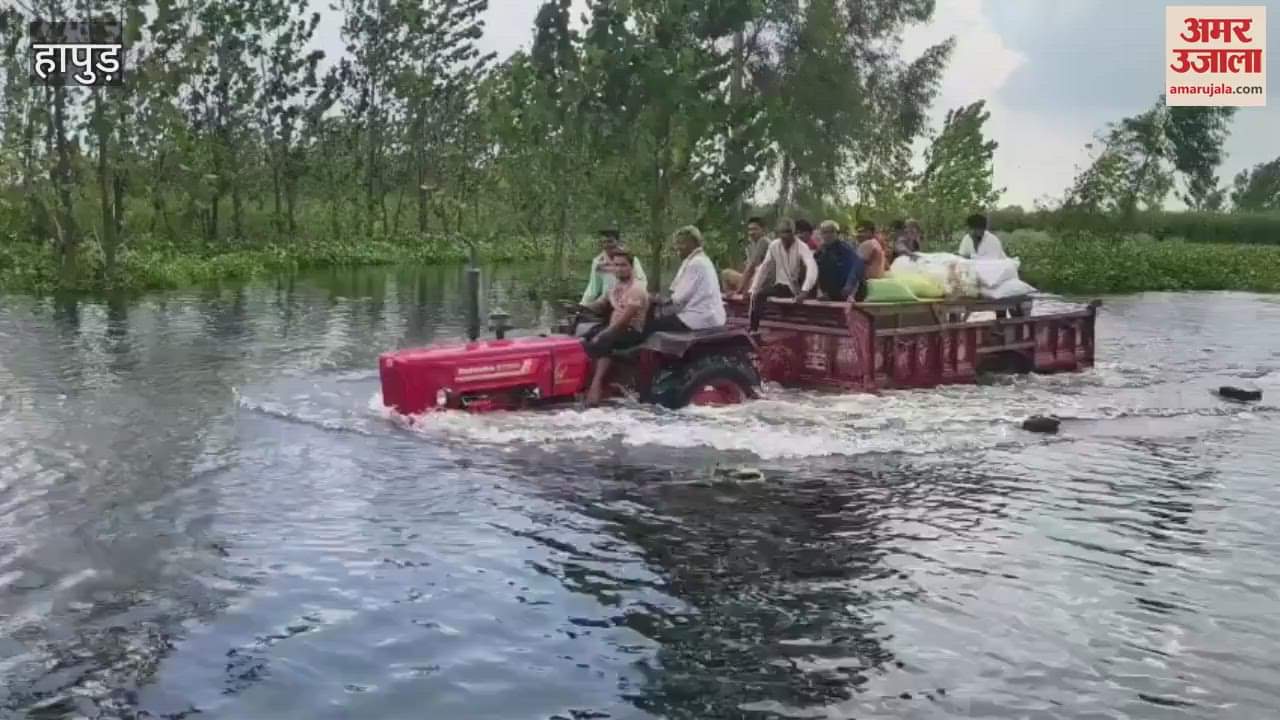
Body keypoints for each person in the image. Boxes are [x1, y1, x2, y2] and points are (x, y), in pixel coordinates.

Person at [578, 252, 650, 407]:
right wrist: (581, 308)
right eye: (616, 265)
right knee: (582, 338)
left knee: (603, 340)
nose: (619, 269)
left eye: (623, 265)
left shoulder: (636, 289)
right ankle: (578, 382)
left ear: (632, 267)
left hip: (631, 331)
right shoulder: (616, 287)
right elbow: (600, 304)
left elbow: (624, 321)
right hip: (615, 329)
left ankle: (595, 387)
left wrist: (604, 334)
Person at [649, 225, 726, 333]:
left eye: (681, 243)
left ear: (692, 243)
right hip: (708, 316)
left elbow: (679, 298)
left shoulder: (696, 263)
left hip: (699, 318)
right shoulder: (700, 260)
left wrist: (656, 299)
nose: (677, 247)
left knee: (651, 326)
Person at [747, 218, 818, 332]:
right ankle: (753, 329)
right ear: (778, 233)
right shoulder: (774, 245)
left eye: (789, 232)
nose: (786, 235)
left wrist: (805, 291)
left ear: (793, 232)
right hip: (781, 287)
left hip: (798, 288)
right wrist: (753, 288)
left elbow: (812, 268)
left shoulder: (802, 246)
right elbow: (764, 267)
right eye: (783, 232)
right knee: (758, 294)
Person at [581, 229, 646, 305]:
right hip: (607, 301)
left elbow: (641, 281)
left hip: (629, 299)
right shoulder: (598, 262)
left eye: (610, 241)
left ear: (617, 242)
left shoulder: (630, 259)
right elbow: (593, 288)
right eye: (603, 242)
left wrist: (635, 297)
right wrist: (583, 304)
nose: (607, 245)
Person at [813, 220, 866, 302]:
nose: (828, 235)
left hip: (847, 291)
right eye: (825, 232)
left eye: (831, 232)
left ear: (837, 233)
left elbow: (856, 268)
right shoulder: (820, 251)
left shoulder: (845, 249)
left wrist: (849, 288)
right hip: (830, 292)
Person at [721, 216, 770, 295]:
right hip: (753, 281)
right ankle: (731, 297)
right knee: (726, 274)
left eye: (755, 229)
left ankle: (736, 297)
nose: (751, 232)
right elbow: (748, 267)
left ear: (763, 230)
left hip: (761, 283)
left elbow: (751, 268)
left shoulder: (764, 241)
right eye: (750, 229)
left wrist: (739, 289)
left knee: (729, 275)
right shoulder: (752, 245)